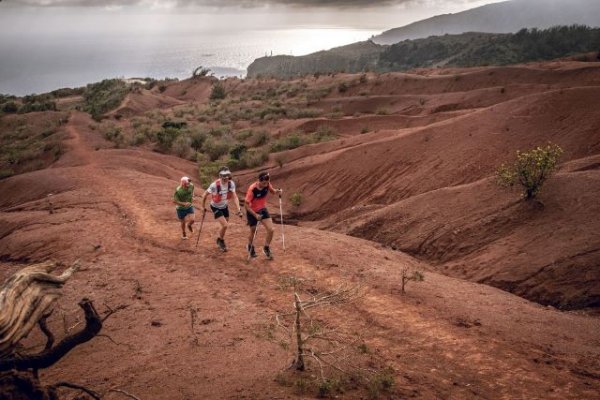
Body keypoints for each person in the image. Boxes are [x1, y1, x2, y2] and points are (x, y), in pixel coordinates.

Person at [202, 167, 242, 252]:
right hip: (215, 206)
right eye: (224, 175)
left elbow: (235, 196)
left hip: (224, 206)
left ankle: (219, 239)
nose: (226, 177)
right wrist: (203, 207)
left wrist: (238, 209)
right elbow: (205, 194)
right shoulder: (214, 185)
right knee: (225, 225)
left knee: (225, 225)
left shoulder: (231, 184)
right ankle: (221, 241)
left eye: (227, 175)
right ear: (220, 176)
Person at [244, 171, 283, 259]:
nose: (266, 185)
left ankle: (266, 248)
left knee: (271, 229)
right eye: (264, 183)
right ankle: (250, 246)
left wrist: (278, 191)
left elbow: (273, 191)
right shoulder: (252, 189)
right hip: (252, 211)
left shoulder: (267, 184)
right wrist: (255, 215)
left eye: (267, 183)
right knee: (253, 231)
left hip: (262, 209)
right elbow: (246, 205)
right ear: (259, 180)